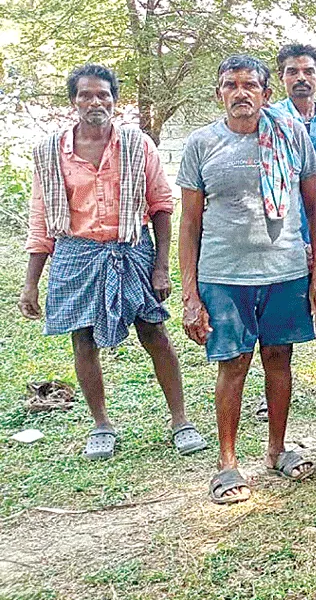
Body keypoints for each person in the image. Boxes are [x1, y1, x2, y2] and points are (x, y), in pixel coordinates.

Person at [19, 64, 204, 461]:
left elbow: (161, 205)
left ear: (115, 101)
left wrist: (160, 266)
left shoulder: (138, 145)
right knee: (83, 340)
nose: (95, 102)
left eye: (103, 94)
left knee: (154, 333)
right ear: (74, 101)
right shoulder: (51, 151)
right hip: (76, 254)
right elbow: (41, 219)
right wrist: (31, 282)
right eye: (86, 95)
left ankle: (181, 421)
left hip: (131, 249)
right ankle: (101, 425)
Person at [177, 55, 316, 504]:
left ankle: (277, 448)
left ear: (267, 94)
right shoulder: (202, 143)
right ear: (219, 93)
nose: (241, 93)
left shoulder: (290, 135)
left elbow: (315, 206)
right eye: (231, 85)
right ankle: (227, 464)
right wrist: (190, 294)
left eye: (251, 85)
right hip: (224, 274)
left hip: (284, 270)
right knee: (234, 362)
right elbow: (189, 225)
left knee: (279, 358)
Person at [252, 43, 316, 412]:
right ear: (282, 78)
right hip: (280, 232)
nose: (301, 79)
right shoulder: (267, 122)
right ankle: (269, 386)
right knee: (268, 310)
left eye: (308, 72)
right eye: (292, 72)